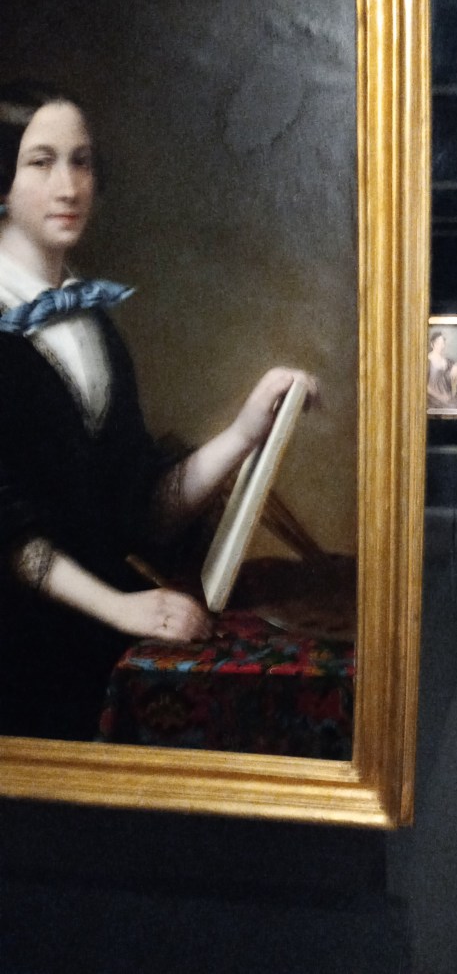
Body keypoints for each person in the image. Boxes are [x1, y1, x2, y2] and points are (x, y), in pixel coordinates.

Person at [0, 83, 319, 740]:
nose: (69, 186)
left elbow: (140, 507)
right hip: (16, 652)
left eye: (82, 162)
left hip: (93, 649)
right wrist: (120, 607)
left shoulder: (93, 326)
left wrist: (244, 432)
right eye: (42, 162)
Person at [427, 329, 457, 408]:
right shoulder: (427, 360)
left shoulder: (446, 360)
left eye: (443, 343)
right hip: (433, 398)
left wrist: (456, 367)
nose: (441, 346)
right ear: (432, 344)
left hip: (447, 396)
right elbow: (424, 386)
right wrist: (441, 397)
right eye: (438, 343)